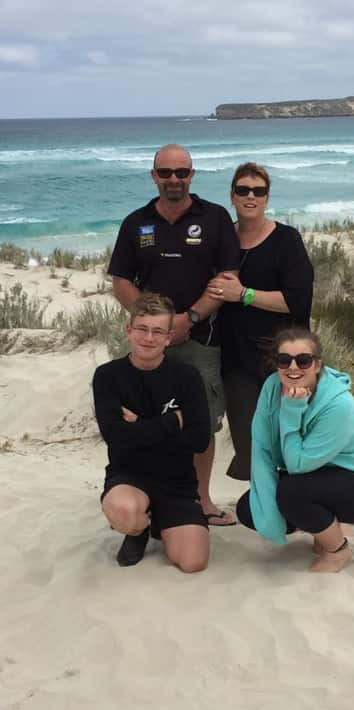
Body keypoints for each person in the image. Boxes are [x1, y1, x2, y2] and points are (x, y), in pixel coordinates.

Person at [107, 144, 240, 526]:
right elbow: (120, 281)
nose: (174, 180)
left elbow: (228, 278)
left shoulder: (214, 218)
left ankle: (202, 500)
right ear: (153, 176)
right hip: (150, 343)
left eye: (181, 172)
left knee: (202, 422)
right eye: (165, 173)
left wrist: (191, 316)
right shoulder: (136, 223)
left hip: (201, 340)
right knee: (146, 417)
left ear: (192, 175)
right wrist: (156, 326)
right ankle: (149, 495)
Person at [236, 327, 354, 573]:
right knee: (251, 507)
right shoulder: (272, 388)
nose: (293, 367)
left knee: (292, 491)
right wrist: (269, 515)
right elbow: (262, 446)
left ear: (317, 365)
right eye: (284, 360)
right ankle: (325, 528)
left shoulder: (339, 405)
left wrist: (292, 409)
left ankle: (337, 550)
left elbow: (298, 464)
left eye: (303, 360)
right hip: (319, 475)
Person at [207, 162, 313, 482]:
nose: (250, 196)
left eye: (258, 191)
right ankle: (268, 506)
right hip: (236, 361)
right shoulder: (222, 241)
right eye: (243, 190)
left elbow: (297, 301)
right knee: (249, 443)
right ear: (232, 196)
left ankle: (298, 507)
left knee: (289, 439)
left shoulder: (286, 240)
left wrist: (244, 294)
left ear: (267, 197)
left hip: (281, 359)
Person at [93, 293, 211, 571]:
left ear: (169, 337)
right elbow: (116, 437)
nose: (148, 338)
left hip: (177, 482)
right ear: (129, 330)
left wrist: (139, 425)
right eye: (142, 329)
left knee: (193, 562)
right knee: (124, 511)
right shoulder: (108, 376)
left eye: (158, 331)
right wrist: (172, 422)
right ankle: (138, 531)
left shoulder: (187, 377)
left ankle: (160, 521)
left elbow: (200, 439)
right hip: (129, 476)